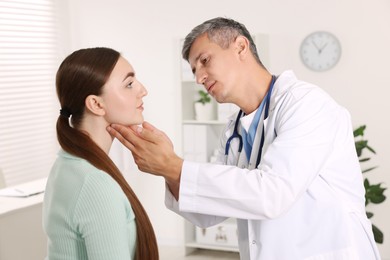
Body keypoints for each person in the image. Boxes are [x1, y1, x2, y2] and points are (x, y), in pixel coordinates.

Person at [107, 17, 381, 260]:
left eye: (204, 61)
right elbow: (209, 212)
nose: (199, 78)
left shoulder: (307, 104)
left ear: (240, 47)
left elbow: (273, 194)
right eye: (193, 71)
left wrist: (173, 165)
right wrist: (168, 171)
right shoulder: (235, 129)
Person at [43, 47, 159, 260]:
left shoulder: (66, 164)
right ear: (96, 104)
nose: (143, 90)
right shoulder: (95, 183)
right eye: (129, 84)